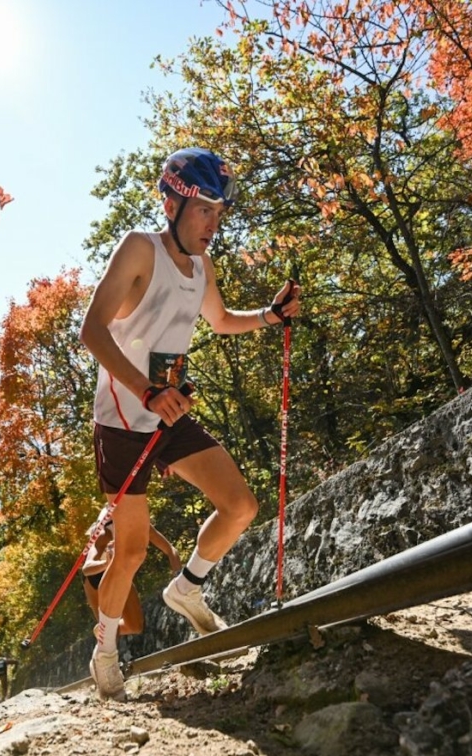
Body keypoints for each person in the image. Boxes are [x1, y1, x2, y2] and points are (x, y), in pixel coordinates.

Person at [79, 147, 301, 701]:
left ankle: (188, 588)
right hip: (125, 422)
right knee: (128, 553)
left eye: (220, 212)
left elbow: (220, 319)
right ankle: (104, 650)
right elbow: (92, 332)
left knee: (241, 506)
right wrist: (147, 390)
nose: (213, 223)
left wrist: (270, 317)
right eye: (205, 208)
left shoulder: (202, 266)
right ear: (173, 201)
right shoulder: (139, 249)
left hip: (169, 414)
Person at [82, 513, 183, 643]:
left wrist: (179, 577)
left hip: (119, 571)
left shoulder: (143, 527)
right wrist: (106, 564)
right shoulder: (104, 533)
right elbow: (87, 568)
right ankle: (108, 651)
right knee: (109, 630)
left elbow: (170, 550)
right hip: (95, 574)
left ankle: (104, 632)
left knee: (135, 626)